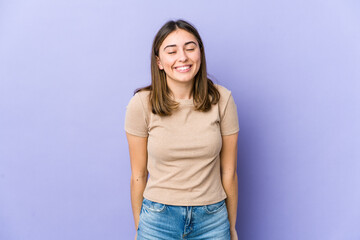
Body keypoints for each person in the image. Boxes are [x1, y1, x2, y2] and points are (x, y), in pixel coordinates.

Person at [125, 19, 239, 240]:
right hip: (158, 219)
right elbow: (138, 176)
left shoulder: (223, 100)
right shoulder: (141, 104)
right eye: (172, 51)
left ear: (200, 54)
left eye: (190, 48)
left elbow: (229, 173)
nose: (183, 57)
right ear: (159, 61)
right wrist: (141, 228)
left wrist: (231, 227)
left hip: (212, 220)